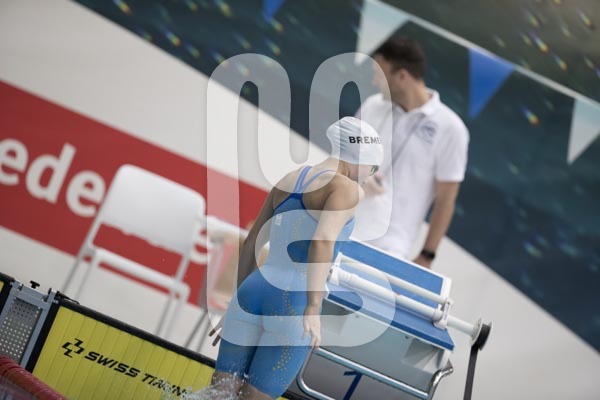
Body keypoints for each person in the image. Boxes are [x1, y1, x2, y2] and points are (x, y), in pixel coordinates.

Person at [208, 117, 383, 400]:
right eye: (372, 168)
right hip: (293, 302)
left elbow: (252, 242)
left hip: (253, 290)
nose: (368, 177)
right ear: (361, 157)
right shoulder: (347, 189)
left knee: (219, 393)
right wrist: (312, 307)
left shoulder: (290, 178)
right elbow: (322, 241)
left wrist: (237, 302)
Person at [352, 37, 469, 268]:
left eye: (379, 75)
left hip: (389, 248)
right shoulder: (372, 106)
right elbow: (342, 159)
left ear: (402, 77)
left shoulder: (450, 128)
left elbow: (446, 199)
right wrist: (359, 173)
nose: (375, 82)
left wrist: (427, 255)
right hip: (343, 226)